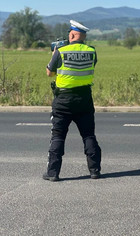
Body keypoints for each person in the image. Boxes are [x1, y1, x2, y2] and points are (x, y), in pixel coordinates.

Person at [43, 20, 101, 181]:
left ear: (73, 34)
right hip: (84, 99)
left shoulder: (60, 51)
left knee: (58, 136)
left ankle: (53, 173)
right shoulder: (92, 51)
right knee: (89, 135)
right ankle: (95, 170)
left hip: (63, 100)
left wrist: (54, 55)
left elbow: (50, 73)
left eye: (69, 33)